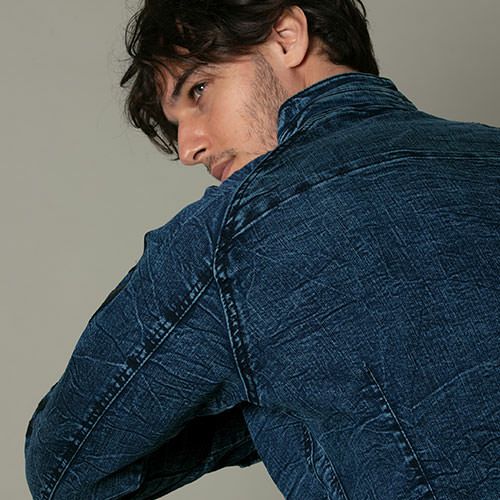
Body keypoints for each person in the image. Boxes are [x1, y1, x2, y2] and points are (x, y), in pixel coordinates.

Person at [24, 1, 500, 499]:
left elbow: (63, 468)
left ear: (287, 37)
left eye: (199, 89)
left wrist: (260, 388)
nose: (188, 148)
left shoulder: (236, 233)